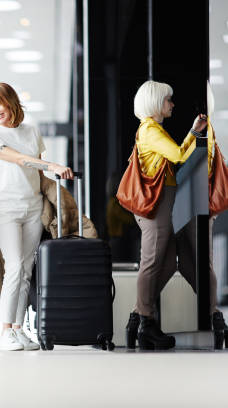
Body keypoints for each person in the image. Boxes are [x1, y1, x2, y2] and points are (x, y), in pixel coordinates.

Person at [0, 82, 73, 351]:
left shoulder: (32, 132)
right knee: (14, 267)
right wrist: (52, 164)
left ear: (10, 101)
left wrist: (53, 184)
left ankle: (19, 329)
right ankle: (5, 331)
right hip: (6, 208)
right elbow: (20, 159)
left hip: (32, 207)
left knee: (26, 270)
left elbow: (37, 174)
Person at [123, 80, 210, 350]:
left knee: (169, 263)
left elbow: (176, 155)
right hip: (155, 208)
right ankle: (145, 323)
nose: (172, 104)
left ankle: (138, 317)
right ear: (155, 102)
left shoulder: (153, 129)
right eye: (168, 99)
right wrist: (193, 134)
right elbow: (178, 156)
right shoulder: (150, 129)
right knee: (150, 262)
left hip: (160, 207)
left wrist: (192, 132)